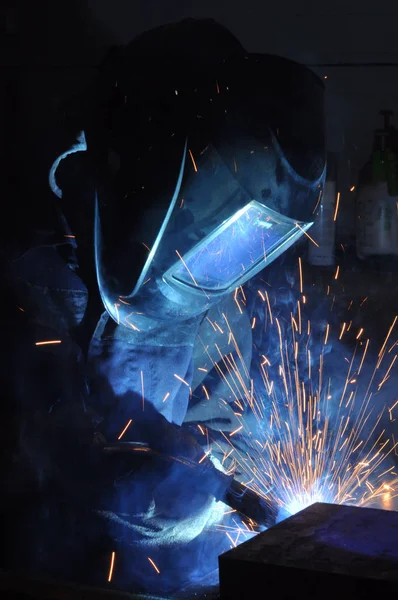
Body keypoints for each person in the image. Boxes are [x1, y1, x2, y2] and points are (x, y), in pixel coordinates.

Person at [3, 18, 325, 594]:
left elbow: (229, 434)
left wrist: (207, 473)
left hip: (173, 578)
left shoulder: (216, 295)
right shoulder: (32, 285)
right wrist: (114, 477)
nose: (206, 275)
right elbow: (34, 457)